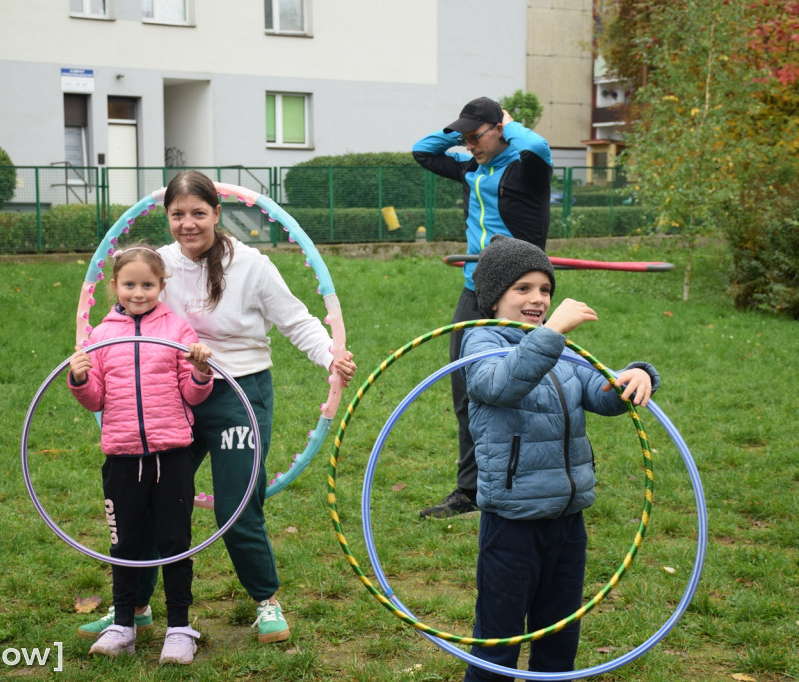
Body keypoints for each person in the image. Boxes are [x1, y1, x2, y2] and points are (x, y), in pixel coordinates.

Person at [76, 170, 357, 644]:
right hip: (170, 396)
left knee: (235, 503)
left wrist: (331, 355)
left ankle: (266, 600)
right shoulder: (158, 264)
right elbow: (123, 316)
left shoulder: (252, 265)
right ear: (167, 216)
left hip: (238, 396)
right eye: (177, 214)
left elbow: (296, 321)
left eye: (198, 213)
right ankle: (135, 607)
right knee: (144, 500)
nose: (188, 224)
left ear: (217, 213)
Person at [459, 235, 659, 679]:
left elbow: (599, 394)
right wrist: (550, 335)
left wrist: (634, 377)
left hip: (568, 519)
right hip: (512, 521)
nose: (537, 299)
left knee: (560, 630)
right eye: (523, 289)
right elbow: (499, 385)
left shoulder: (561, 350)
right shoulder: (480, 344)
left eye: (545, 290)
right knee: (498, 633)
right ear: (493, 298)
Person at [68, 244, 214, 665]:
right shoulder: (100, 336)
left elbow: (192, 392)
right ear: (114, 285)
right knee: (125, 544)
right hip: (122, 458)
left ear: (160, 286)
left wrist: (201, 370)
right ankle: (123, 625)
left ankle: (180, 627)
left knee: (174, 542)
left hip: (172, 457)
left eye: (147, 284)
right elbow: (95, 399)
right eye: (129, 284)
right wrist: (79, 378)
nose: (138, 292)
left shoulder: (177, 330)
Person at [412, 96, 554, 518]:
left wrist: (511, 125)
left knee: (528, 390)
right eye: (464, 138)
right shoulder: (471, 167)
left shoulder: (525, 167)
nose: (469, 144)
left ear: (499, 129)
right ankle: (470, 492)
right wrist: (459, 132)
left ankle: (535, 478)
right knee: (468, 389)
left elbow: (539, 147)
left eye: (477, 136)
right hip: (475, 289)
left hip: (520, 294)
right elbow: (422, 150)